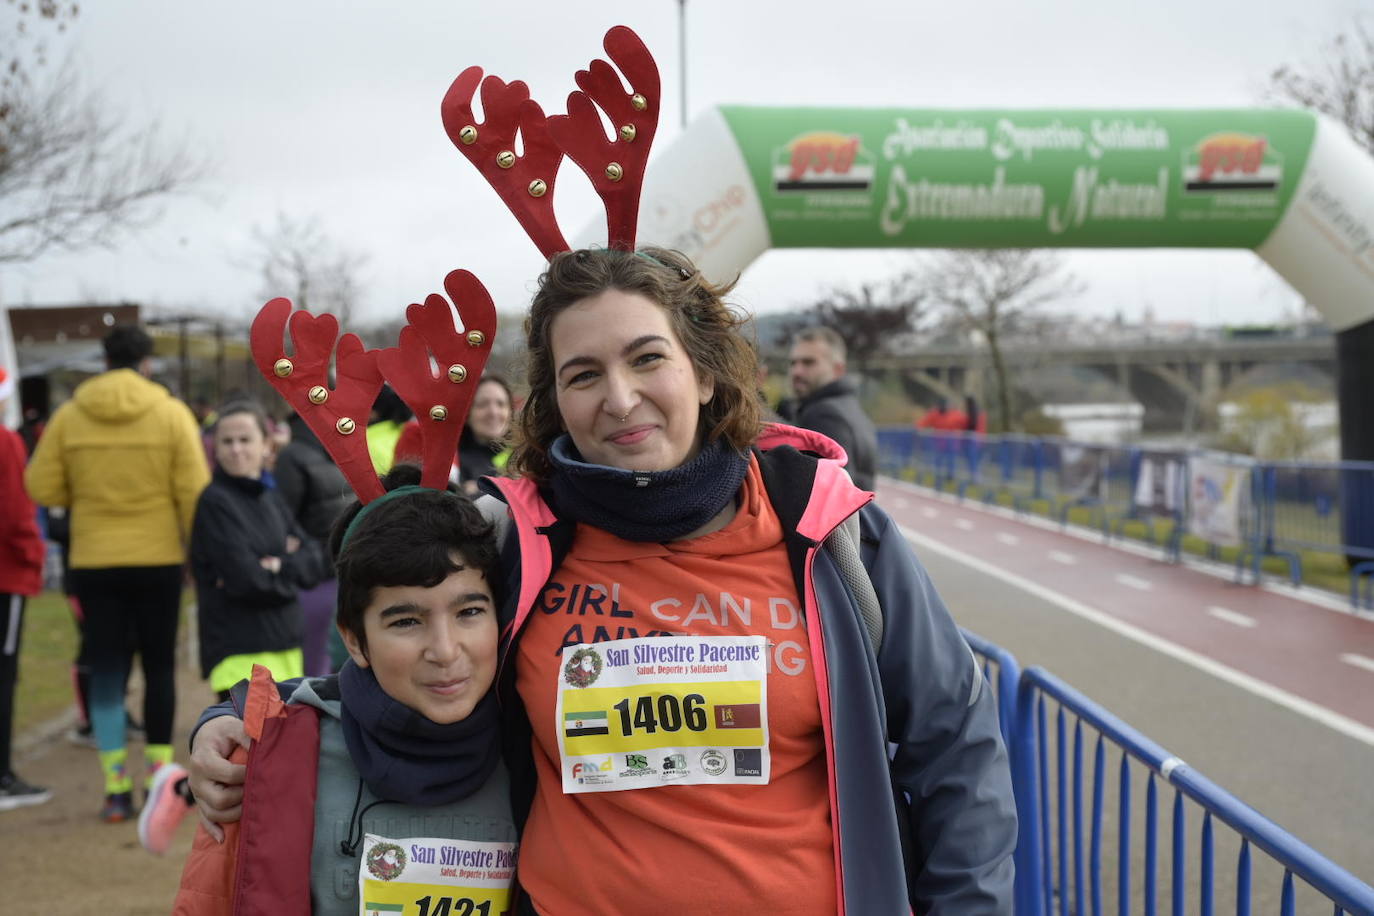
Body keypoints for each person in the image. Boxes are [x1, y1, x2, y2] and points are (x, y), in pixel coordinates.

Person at [191, 247, 1016, 913]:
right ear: (554, 400)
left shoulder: (829, 532)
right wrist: (230, 725)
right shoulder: (515, 538)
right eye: (583, 374)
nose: (620, 399)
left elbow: (956, 744)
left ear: (704, 371)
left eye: (647, 358)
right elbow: (394, 652)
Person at [157, 467, 516, 915]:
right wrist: (221, 724)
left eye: (469, 612)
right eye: (406, 622)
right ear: (354, 641)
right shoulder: (279, 753)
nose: (444, 651)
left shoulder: (536, 747)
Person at [24, 323, 210, 822]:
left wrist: (82, 497)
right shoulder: (170, 413)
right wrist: (196, 550)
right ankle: (158, 778)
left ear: (103, 361)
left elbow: (41, 485)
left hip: (94, 560)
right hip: (159, 559)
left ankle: (114, 786)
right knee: (158, 669)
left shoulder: (70, 416)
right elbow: (194, 491)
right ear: (146, 362)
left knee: (107, 671)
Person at [190, 401, 326, 700]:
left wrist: (277, 565)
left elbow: (314, 562)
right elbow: (247, 580)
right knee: (249, 745)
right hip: (239, 652)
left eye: (245, 439)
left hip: (287, 645)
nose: (236, 449)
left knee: (287, 743)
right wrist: (285, 562)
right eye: (227, 441)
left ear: (266, 444)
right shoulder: (214, 503)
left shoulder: (271, 495)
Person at [0, 366, 52, 811]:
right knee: (3, 674)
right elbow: (17, 514)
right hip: (5, 575)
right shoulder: (6, 441)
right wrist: (34, 558)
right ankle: (2, 775)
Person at [274, 409, 353, 676]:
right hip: (325, 574)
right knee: (321, 662)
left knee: (322, 662)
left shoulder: (311, 451)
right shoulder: (306, 454)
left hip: (326, 575)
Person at [786, 325, 878, 490]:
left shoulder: (824, 415)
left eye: (808, 362)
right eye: (793, 363)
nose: (797, 371)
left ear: (838, 369)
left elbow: (826, 493)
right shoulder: (850, 409)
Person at [396, 374, 514, 496]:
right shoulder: (444, 457)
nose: (493, 412)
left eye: (501, 404)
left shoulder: (520, 459)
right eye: (482, 404)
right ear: (466, 412)